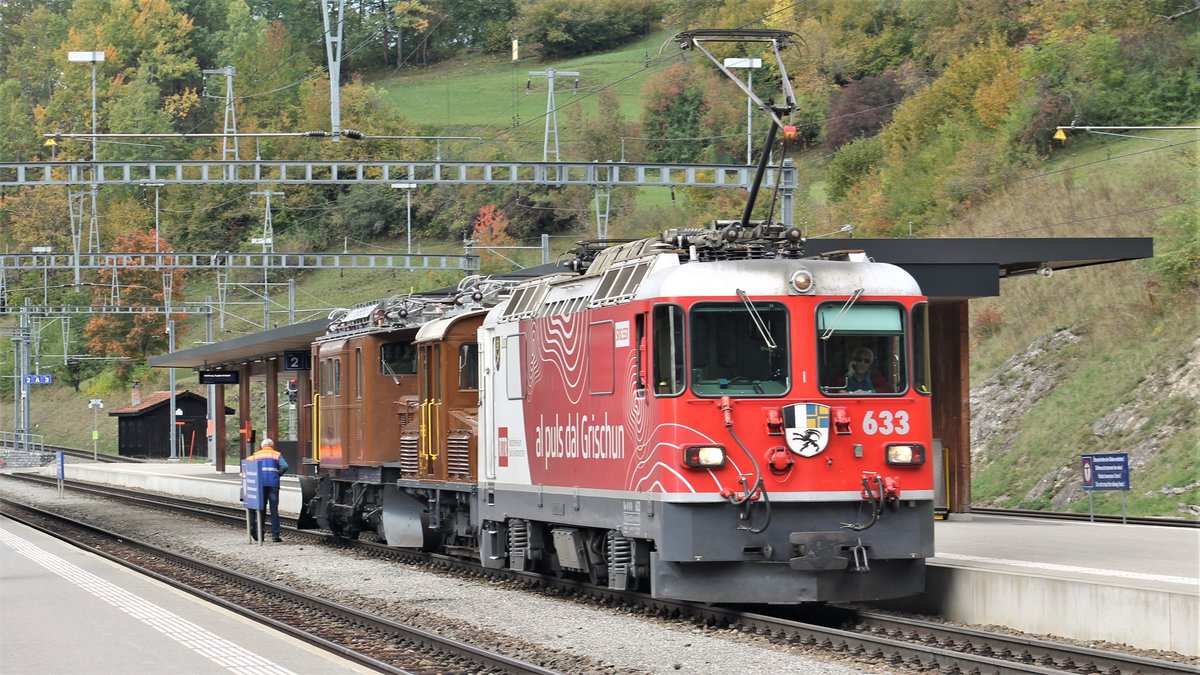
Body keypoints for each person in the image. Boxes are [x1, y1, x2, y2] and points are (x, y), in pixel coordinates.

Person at [248, 438, 288, 542]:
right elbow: (285, 466)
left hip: (260, 484)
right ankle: (275, 536)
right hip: (273, 484)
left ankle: (260, 534)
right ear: (272, 446)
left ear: (262, 446)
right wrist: (277, 474)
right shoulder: (277, 454)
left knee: (261, 509)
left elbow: (248, 465)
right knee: (274, 510)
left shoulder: (256, 455)